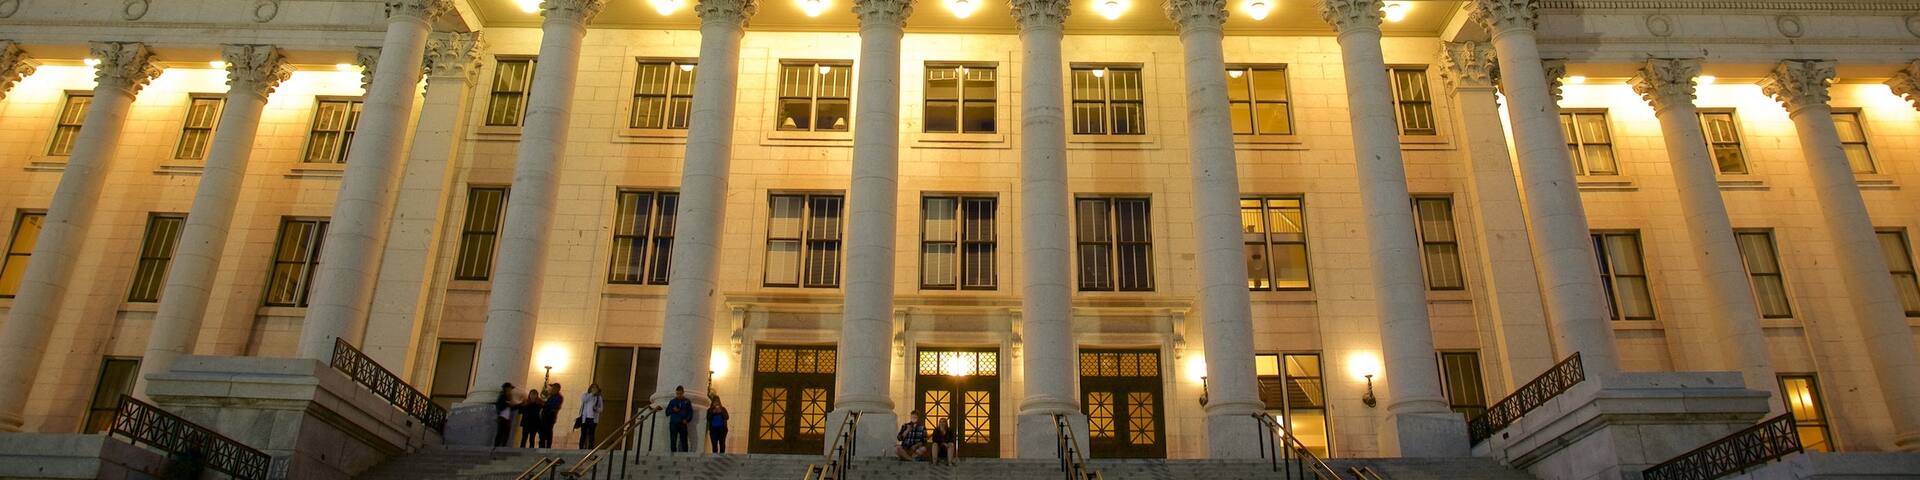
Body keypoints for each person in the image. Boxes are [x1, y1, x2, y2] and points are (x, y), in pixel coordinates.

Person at [665, 386, 694, 453]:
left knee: (684, 440)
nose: (679, 395)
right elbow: (667, 412)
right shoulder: (672, 402)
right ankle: (673, 455)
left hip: (683, 423)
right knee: (673, 440)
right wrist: (673, 410)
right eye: (677, 393)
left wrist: (687, 420)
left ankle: (685, 455)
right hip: (673, 423)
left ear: (683, 393)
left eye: (680, 393)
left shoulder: (687, 401)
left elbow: (690, 412)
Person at [577, 384, 604, 449]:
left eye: (596, 388)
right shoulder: (585, 395)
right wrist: (591, 394)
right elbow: (584, 400)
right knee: (583, 434)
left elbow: (601, 409)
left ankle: (590, 448)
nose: (594, 389)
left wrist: (596, 409)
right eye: (593, 388)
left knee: (591, 434)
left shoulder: (599, 398)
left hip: (593, 419)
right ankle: (581, 448)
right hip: (585, 418)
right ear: (590, 388)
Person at [492, 383, 517, 448]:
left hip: (507, 419)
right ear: (506, 389)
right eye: (510, 389)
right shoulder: (502, 396)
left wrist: (518, 405)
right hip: (502, 418)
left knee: (506, 434)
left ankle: (502, 448)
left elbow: (512, 407)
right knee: (500, 433)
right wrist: (508, 404)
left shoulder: (509, 397)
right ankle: (496, 448)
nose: (510, 391)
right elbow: (500, 406)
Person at [540, 383, 564, 448]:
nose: (552, 389)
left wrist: (547, 405)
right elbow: (543, 402)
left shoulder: (559, 397)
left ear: (558, 389)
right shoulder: (549, 395)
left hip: (551, 415)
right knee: (542, 431)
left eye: (554, 388)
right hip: (544, 414)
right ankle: (541, 445)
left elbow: (555, 406)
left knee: (549, 431)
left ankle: (548, 446)